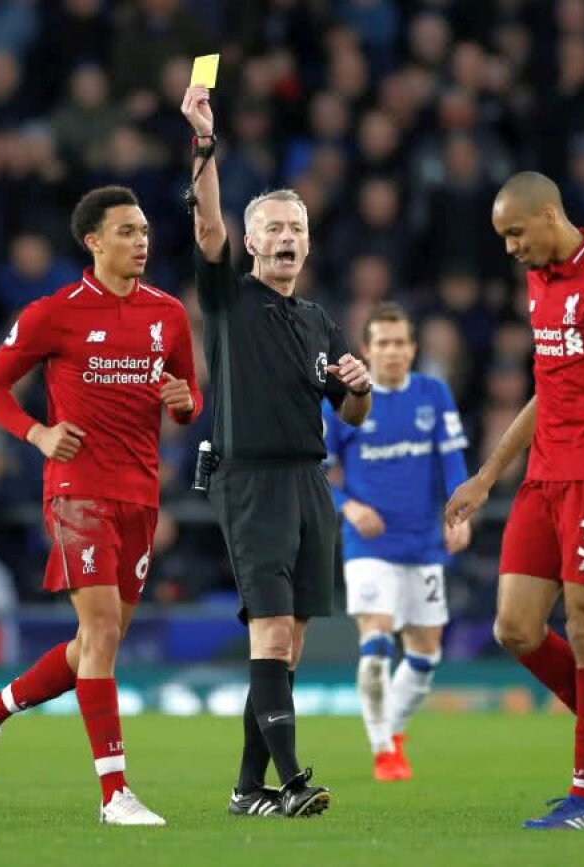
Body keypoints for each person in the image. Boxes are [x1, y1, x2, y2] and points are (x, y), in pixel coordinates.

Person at [0, 184, 203, 826]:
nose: (141, 241)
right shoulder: (54, 312)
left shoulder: (168, 314)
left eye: (144, 230)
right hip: (77, 492)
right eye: (126, 231)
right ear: (93, 241)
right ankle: (114, 795)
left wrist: (184, 403)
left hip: (140, 494)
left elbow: (187, 398)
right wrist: (37, 434)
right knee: (99, 635)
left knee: (98, 643)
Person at [446, 172, 584, 831]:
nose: (511, 248)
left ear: (548, 215)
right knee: (514, 627)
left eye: (516, 233)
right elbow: (548, 389)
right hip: (543, 476)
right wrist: (488, 475)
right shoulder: (539, 282)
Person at [182, 83, 373, 819]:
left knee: (287, 643)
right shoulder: (229, 300)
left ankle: (246, 790)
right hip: (252, 481)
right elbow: (207, 226)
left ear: (308, 242)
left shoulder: (320, 320)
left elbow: (351, 411)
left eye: (296, 226)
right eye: (273, 228)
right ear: (253, 242)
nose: (286, 236)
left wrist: (358, 388)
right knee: (267, 629)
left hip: (308, 483)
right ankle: (292, 781)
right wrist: (205, 144)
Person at [322, 302, 471, 782]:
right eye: (383, 343)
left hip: (423, 544)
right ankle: (384, 750)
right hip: (369, 545)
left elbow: (452, 460)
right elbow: (318, 471)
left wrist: (459, 512)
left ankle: (391, 731)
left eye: (401, 343)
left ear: (413, 348)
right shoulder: (347, 401)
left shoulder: (432, 393)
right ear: (366, 350)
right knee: (377, 639)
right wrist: (349, 507)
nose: (393, 352)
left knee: (425, 655)